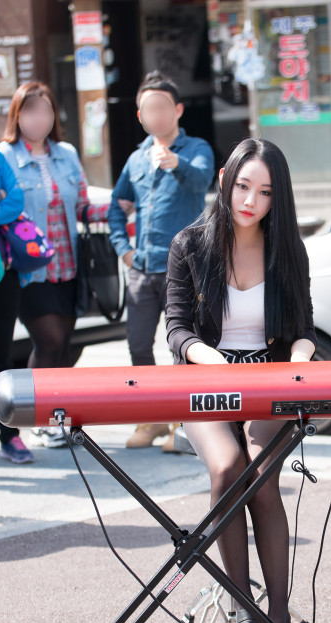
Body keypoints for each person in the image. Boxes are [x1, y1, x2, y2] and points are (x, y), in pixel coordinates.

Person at [165, 138, 316, 623]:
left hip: (269, 381)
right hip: (207, 379)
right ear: (226, 177)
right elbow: (177, 328)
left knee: (262, 476)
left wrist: (299, 362)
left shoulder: (288, 249)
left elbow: (303, 330)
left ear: (280, 198)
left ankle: (276, 619)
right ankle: (242, 621)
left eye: (266, 192)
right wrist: (214, 363)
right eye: (244, 185)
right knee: (228, 469)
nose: (250, 200)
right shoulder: (190, 244)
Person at [0, 81, 111, 448]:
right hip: (28, 266)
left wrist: (116, 208)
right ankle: (37, 419)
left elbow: (80, 205)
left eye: (45, 110)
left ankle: (55, 417)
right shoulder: (5, 155)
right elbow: (9, 207)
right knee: (49, 340)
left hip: (68, 263)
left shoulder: (66, 153)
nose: (39, 118)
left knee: (63, 346)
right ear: (17, 115)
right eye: (30, 110)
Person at [108, 71, 214, 450]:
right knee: (138, 345)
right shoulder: (136, 159)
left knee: (184, 345)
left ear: (178, 109)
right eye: (148, 109)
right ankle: (151, 416)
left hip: (186, 269)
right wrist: (123, 248)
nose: (155, 114)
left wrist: (174, 163)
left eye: (162, 107)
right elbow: (115, 208)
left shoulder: (196, 148)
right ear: (140, 115)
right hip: (142, 268)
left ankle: (186, 424)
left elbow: (203, 181)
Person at [0, 149, 34, 463]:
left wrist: (4, 199)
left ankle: (9, 435)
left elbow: (16, 201)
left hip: (2, 273)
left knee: (2, 357)